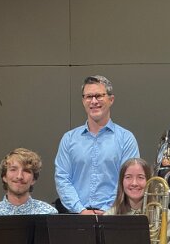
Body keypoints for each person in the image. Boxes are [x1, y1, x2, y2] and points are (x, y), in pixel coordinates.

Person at [55, 75, 140, 214]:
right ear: (83, 101)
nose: (94, 101)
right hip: (76, 217)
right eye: (89, 96)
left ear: (111, 99)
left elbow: (129, 180)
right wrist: (81, 210)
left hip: (115, 216)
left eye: (99, 96)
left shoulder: (126, 139)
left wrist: (107, 210)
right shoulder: (69, 139)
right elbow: (62, 178)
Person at [0, 148, 57, 228]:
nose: (19, 176)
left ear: (33, 179)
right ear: (4, 177)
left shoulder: (49, 213)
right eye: (13, 169)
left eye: (26, 171)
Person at [105, 158, 170, 244]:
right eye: (128, 177)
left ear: (148, 180)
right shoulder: (109, 216)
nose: (134, 183)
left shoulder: (164, 215)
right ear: (122, 182)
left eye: (140, 177)